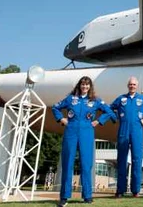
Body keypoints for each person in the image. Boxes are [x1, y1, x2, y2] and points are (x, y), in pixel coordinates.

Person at [52, 76, 116, 207]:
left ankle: (87, 196)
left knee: (86, 164)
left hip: (87, 132)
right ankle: (64, 197)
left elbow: (109, 111)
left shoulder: (95, 100)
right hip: (71, 130)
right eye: (82, 84)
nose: (84, 87)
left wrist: (99, 121)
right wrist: (61, 119)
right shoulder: (71, 99)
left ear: (90, 87)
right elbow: (55, 107)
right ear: (79, 85)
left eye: (87, 85)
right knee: (67, 162)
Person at [110, 76, 143, 198]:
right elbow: (109, 109)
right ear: (127, 85)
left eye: (134, 84)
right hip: (123, 131)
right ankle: (120, 190)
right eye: (130, 84)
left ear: (137, 86)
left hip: (137, 131)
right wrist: (115, 117)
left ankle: (136, 190)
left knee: (137, 160)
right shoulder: (121, 98)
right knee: (122, 161)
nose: (132, 86)